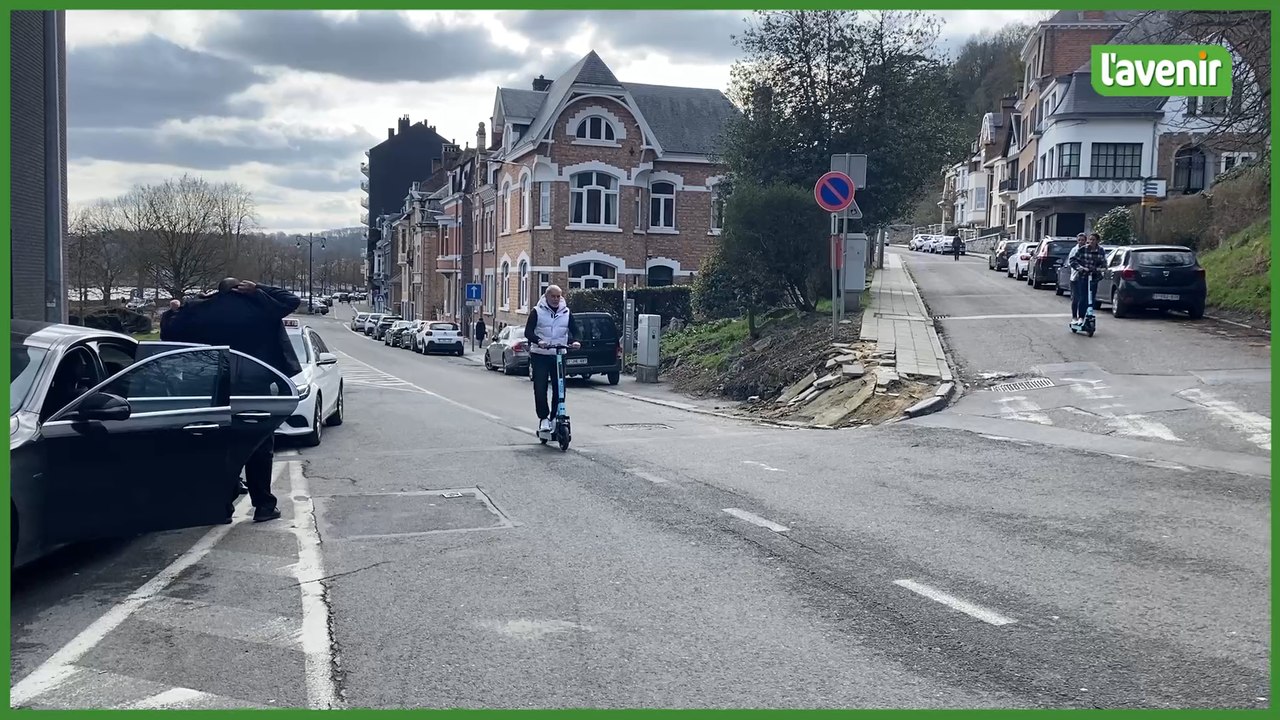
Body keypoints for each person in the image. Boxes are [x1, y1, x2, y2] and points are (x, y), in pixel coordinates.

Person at [163, 278, 302, 523]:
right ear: (241, 289)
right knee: (260, 446)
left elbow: (170, 331)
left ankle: (222, 507)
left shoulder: (203, 309)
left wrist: (181, 306)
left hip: (216, 383)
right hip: (255, 384)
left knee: (222, 446)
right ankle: (264, 505)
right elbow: (291, 300)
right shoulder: (260, 307)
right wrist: (259, 288)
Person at [524, 285, 580, 434]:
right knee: (540, 387)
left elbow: (575, 330)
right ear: (546, 296)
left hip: (559, 354)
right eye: (553, 296)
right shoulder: (537, 312)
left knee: (560, 388)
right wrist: (538, 341)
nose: (556, 299)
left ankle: (555, 416)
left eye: (558, 296)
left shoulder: (566, 312)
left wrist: (575, 341)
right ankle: (543, 418)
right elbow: (528, 332)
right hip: (540, 355)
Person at [1068, 233, 1108, 325]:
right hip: (1083, 276)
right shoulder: (1083, 249)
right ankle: (1080, 317)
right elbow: (1073, 260)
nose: (1091, 242)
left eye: (1093, 240)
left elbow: (1104, 264)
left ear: (1097, 241)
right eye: (1090, 240)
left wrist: (1100, 269)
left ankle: (1088, 315)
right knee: (1083, 297)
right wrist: (1081, 268)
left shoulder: (1101, 250)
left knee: (1091, 298)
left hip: (1094, 277)